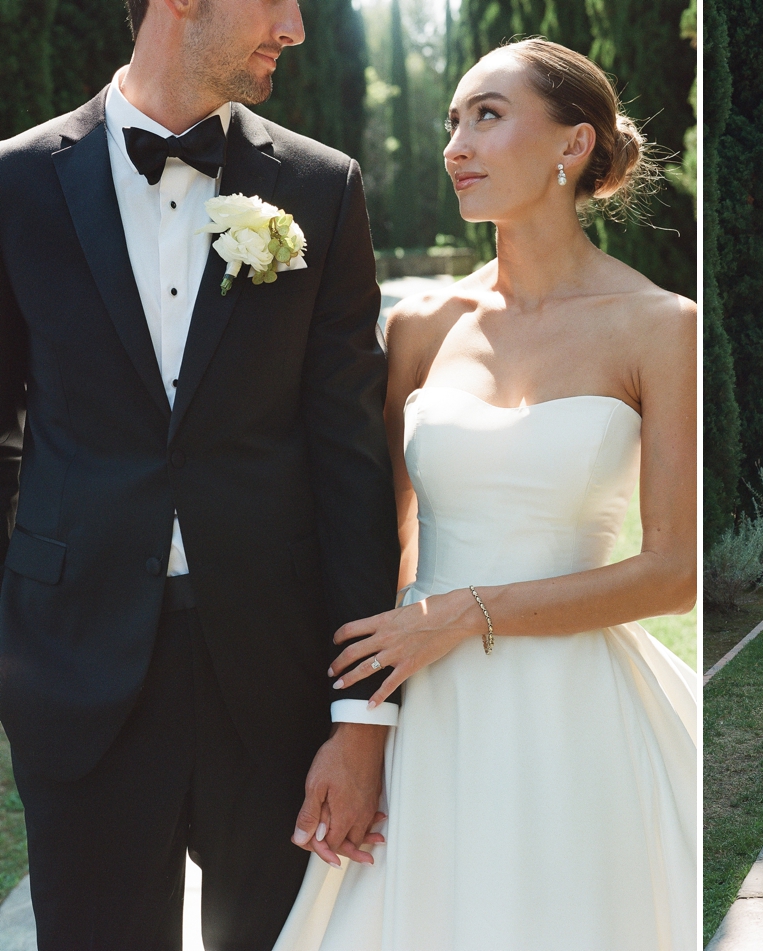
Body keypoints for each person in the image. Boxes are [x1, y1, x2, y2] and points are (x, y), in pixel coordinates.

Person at [272, 38, 699, 950]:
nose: (454, 144)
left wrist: (462, 613)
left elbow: (672, 575)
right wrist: (361, 724)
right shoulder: (422, 328)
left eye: (487, 116)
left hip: (573, 717)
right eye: (453, 121)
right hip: (428, 706)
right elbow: (377, 538)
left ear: (571, 146)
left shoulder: (661, 327)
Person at [0, 0, 399, 947]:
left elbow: (350, 457)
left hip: (275, 680)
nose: (296, 28)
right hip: (75, 669)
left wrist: (360, 717)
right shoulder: (14, 184)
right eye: (277, 2)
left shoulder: (322, 185)